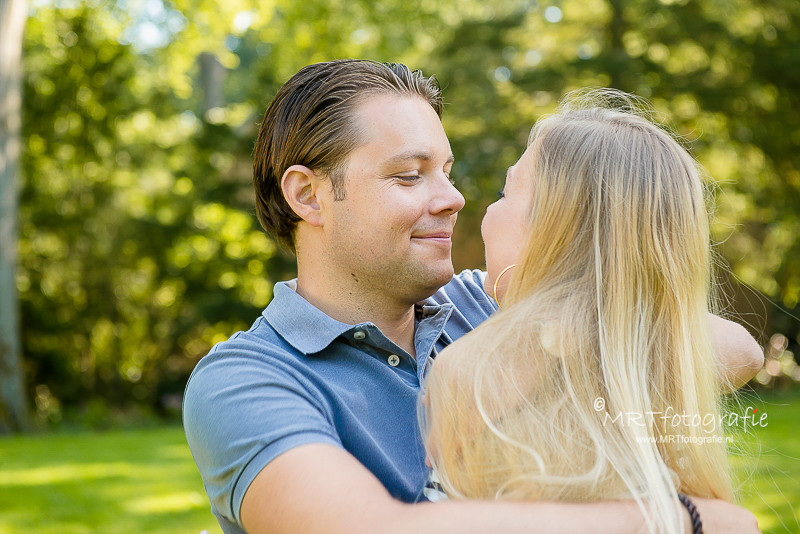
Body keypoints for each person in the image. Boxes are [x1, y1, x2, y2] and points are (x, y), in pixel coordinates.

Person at [183, 60, 763, 534]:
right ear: (308, 196)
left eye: (447, 170)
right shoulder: (244, 380)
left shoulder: (496, 306)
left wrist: (515, 355)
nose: (453, 198)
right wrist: (677, 520)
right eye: (409, 175)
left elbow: (736, 349)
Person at [422, 91, 752, 533]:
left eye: (505, 193)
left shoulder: (463, 374)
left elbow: (745, 351)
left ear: (553, 230)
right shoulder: (648, 357)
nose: (477, 208)